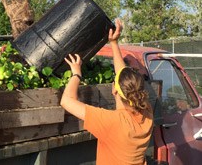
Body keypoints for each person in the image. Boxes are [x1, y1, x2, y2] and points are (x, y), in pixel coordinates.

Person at [60, 19, 153, 165]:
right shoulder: (146, 112)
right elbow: (122, 75)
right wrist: (114, 43)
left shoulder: (112, 122)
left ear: (114, 90)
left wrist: (76, 74)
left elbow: (66, 101)